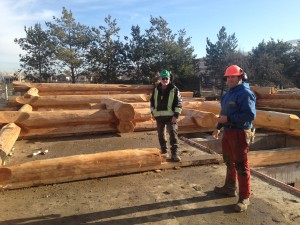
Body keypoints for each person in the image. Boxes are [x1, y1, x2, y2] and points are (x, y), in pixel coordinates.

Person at [212, 65, 256, 212]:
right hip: (228, 132)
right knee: (229, 161)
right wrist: (218, 128)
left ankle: (245, 197)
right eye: (228, 77)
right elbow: (223, 113)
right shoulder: (228, 93)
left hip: (239, 133)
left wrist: (228, 118)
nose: (230, 79)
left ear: (240, 77)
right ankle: (230, 187)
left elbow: (250, 115)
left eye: (233, 76)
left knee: (241, 165)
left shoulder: (245, 93)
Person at [150, 69, 182, 162]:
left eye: (166, 78)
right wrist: (153, 112)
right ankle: (164, 152)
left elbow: (179, 103)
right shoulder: (156, 89)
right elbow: (152, 102)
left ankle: (174, 153)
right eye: (163, 78)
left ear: (169, 78)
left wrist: (176, 115)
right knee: (161, 135)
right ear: (160, 79)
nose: (164, 80)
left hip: (170, 117)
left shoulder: (174, 89)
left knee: (173, 134)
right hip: (159, 117)